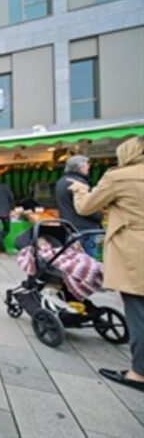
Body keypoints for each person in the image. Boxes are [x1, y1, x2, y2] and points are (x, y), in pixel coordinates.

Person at [69, 136, 144, 393]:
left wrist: (80, 190)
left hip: (136, 249)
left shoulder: (120, 176)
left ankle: (139, 372)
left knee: (137, 308)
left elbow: (87, 206)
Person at [55, 155, 103, 258]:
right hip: (85, 229)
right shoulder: (78, 183)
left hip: (71, 227)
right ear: (80, 167)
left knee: (75, 260)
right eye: (87, 165)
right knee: (90, 262)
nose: (89, 167)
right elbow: (86, 207)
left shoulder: (61, 181)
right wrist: (99, 216)